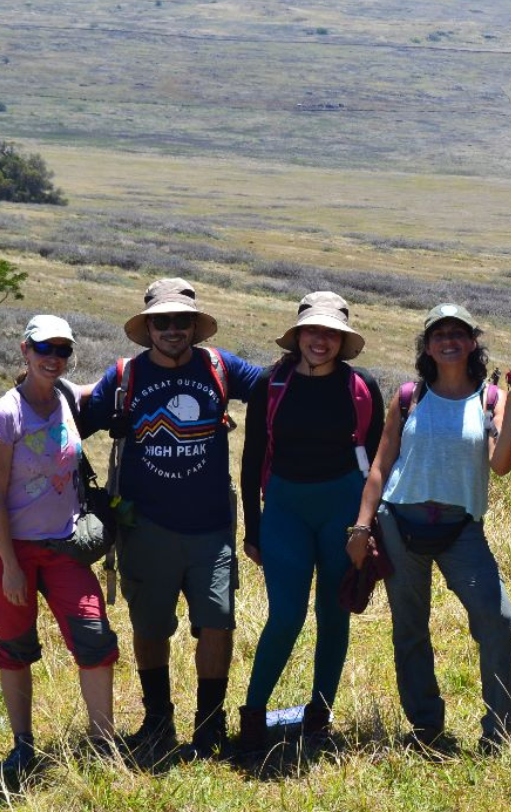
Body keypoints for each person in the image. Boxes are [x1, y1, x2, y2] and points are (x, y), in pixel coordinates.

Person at [85, 278, 262, 760]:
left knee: (218, 623)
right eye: (161, 321)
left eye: (181, 321)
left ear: (194, 327)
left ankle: (209, 726)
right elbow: (71, 425)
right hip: (146, 527)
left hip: (211, 527)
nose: (172, 329)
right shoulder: (124, 377)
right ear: (148, 327)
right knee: (149, 628)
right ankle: (158, 719)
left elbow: (277, 387)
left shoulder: (220, 367)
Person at [348, 304, 511, 752]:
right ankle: (426, 726)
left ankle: (501, 729)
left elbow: (502, 465)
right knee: (410, 627)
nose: (448, 340)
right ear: (427, 346)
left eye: (458, 333)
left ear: (473, 342)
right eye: (439, 334)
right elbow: (380, 465)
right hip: (399, 523)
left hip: (460, 528)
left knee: (498, 619)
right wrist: (361, 527)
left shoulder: (488, 399)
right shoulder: (410, 396)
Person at [237, 292, 384, 753]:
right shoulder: (270, 384)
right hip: (284, 509)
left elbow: (378, 462)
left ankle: (319, 717)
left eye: (331, 333)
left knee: (333, 614)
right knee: (285, 616)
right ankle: (253, 718)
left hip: (343, 513)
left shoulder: (362, 387)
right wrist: (253, 527)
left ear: (342, 340)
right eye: (312, 331)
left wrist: (368, 526)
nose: (320, 340)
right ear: (298, 335)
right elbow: (252, 458)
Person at [0, 316, 118, 784]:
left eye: (63, 349)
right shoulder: (8, 412)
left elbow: (111, 384)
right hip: (16, 552)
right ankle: (23, 746)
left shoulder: (68, 397)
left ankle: (103, 745)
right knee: (13, 649)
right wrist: (8, 565)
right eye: (44, 347)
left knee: (96, 640)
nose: (54, 357)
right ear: (24, 350)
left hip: (65, 547)